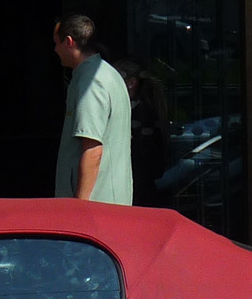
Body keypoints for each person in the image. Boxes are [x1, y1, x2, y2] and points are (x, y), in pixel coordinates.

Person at [53, 14, 133, 205]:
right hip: (110, 203)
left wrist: (80, 207)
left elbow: (92, 149)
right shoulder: (107, 74)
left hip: (96, 207)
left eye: (56, 43)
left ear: (69, 42)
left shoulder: (91, 81)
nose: (55, 50)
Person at [115, 55, 170, 207]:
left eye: (115, 79)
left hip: (137, 189)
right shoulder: (146, 111)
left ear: (131, 83)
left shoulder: (139, 115)